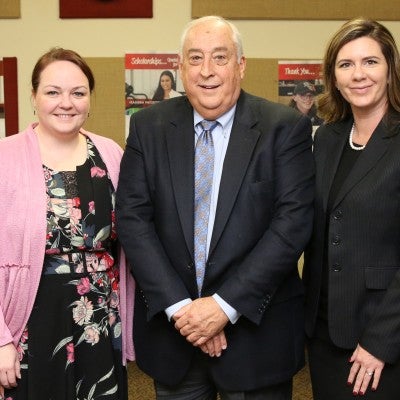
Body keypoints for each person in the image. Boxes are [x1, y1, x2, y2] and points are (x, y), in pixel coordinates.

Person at [116, 15, 314, 399]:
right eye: (195, 58)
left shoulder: (283, 128)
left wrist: (223, 307)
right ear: (180, 66)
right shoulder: (147, 127)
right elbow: (132, 219)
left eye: (220, 57)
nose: (207, 71)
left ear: (241, 65)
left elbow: (291, 226)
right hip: (176, 337)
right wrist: (182, 310)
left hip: (258, 338)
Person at [0, 47, 135, 400]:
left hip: (101, 318)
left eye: (78, 92)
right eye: (53, 92)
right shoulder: (5, 158)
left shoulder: (111, 155)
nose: (66, 103)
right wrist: (0, 340)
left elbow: (131, 240)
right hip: (29, 319)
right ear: (34, 96)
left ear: (90, 99)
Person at [303, 18, 400, 399]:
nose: (358, 75)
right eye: (346, 65)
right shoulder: (327, 138)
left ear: (390, 68)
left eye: (370, 62)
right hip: (325, 332)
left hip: (382, 337)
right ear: (334, 77)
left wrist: (381, 340)